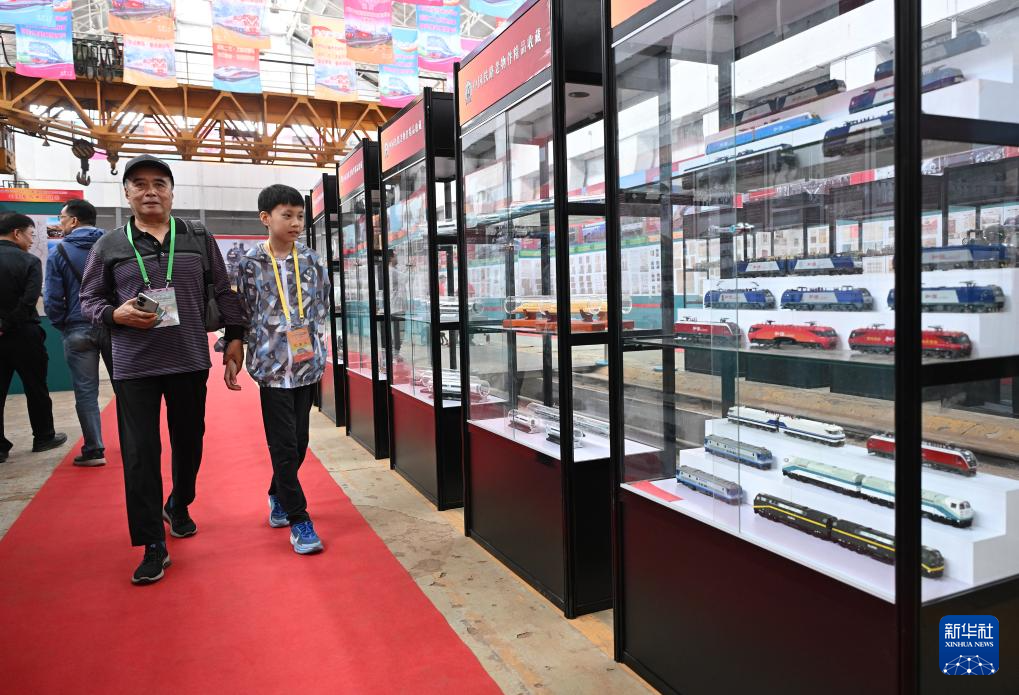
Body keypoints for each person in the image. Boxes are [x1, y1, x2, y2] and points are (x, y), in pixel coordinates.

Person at [80, 155, 244, 585]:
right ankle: (152, 541)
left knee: (189, 442)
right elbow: (89, 300)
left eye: (159, 183)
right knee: (140, 454)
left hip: (189, 358)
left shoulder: (197, 236)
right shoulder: (109, 245)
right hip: (134, 365)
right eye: (139, 184)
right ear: (127, 193)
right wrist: (114, 314)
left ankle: (179, 503)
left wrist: (235, 336)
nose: (150, 191)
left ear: (172, 192)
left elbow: (223, 289)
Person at [227, 184, 329, 555]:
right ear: (266, 218)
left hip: (306, 365)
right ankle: (299, 519)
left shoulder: (312, 260)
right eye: (288, 215)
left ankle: (277, 493)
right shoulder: (249, 263)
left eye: (300, 216)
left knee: (299, 442)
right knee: (283, 445)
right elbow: (241, 311)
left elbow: (322, 305)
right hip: (270, 367)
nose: (296, 223)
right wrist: (236, 349)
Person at [43, 199, 112, 467]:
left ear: (73, 221)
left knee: (85, 392)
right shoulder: (112, 245)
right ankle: (133, 442)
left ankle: (94, 450)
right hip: (112, 324)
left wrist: (63, 323)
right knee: (126, 387)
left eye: (61, 218)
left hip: (77, 327)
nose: (60, 223)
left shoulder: (59, 252)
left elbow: (52, 298)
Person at [0, 213, 68, 463]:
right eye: (30, 235)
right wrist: (7, 324)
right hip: (24, 333)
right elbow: (29, 300)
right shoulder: (29, 261)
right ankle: (43, 436)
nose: (31, 241)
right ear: (17, 233)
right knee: (36, 387)